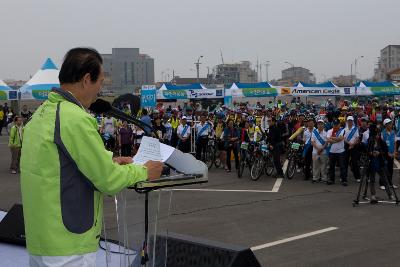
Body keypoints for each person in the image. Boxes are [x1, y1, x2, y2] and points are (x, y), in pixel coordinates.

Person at [20, 47, 163, 266]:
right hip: (68, 245)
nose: (100, 91)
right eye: (101, 83)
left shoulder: (41, 114)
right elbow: (108, 180)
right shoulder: (75, 118)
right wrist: (145, 171)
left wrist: (109, 161)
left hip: (42, 240)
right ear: (87, 79)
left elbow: (59, 168)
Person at [367, 125, 394, 203]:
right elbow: (366, 150)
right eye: (377, 134)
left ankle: (390, 194)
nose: (378, 136)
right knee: (372, 180)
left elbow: (385, 150)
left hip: (380, 162)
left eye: (378, 134)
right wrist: (371, 153)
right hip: (371, 163)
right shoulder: (370, 140)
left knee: (385, 179)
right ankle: (373, 195)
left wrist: (379, 153)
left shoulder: (381, 141)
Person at [327, 119, 347, 186]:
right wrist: (336, 139)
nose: (336, 125)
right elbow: (328, 140)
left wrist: (332, 138)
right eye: (334, 124)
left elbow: (341, 138)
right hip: (332, 151)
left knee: (342, 166)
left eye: (337, 124)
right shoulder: (329, 131)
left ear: (339, 124)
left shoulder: (342, 130)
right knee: (331, 166)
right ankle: (332, 180)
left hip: (341, 151)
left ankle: (344, 180)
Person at [380, 118, 398, 189]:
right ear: (386, 125)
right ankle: (382, 183)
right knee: (384, 169)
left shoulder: (393, 132)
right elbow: (382, 145)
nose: (391, 125)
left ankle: (390, 183)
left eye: (391, 123)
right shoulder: (383, 133)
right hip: (385, 154)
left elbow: (395, 143)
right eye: (389, 124)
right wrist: (387, 153)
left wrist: (394, 152)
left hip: (392, 154)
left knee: (390, 169)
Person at [343, 116, 361, 182]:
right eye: (349, 121)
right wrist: (349, 144)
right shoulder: (344, 129)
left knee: (355, 162)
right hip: (347, 146)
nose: (350, 122)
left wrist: (353, 144)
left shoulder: (355, 129)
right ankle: (344, 176)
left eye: (351, 121)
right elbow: (344, 138)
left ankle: (357, 176)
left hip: (354, 146)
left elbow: (357, 138)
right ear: (347, 121)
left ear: (353, 121)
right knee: (345, 162)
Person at [311, 119, 328, 183]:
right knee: (315, 166)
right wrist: (318, 149)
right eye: (319, 124)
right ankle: (315, 178)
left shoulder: (326, 133)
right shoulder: (314, 132)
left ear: (323, 125)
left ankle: (324, 178)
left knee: (324, 166)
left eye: (321, 124)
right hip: (315, 152)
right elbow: (312, 142)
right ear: (317, 125)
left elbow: (326, 142)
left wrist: (321, 149)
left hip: (323, 152)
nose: (320, 125)